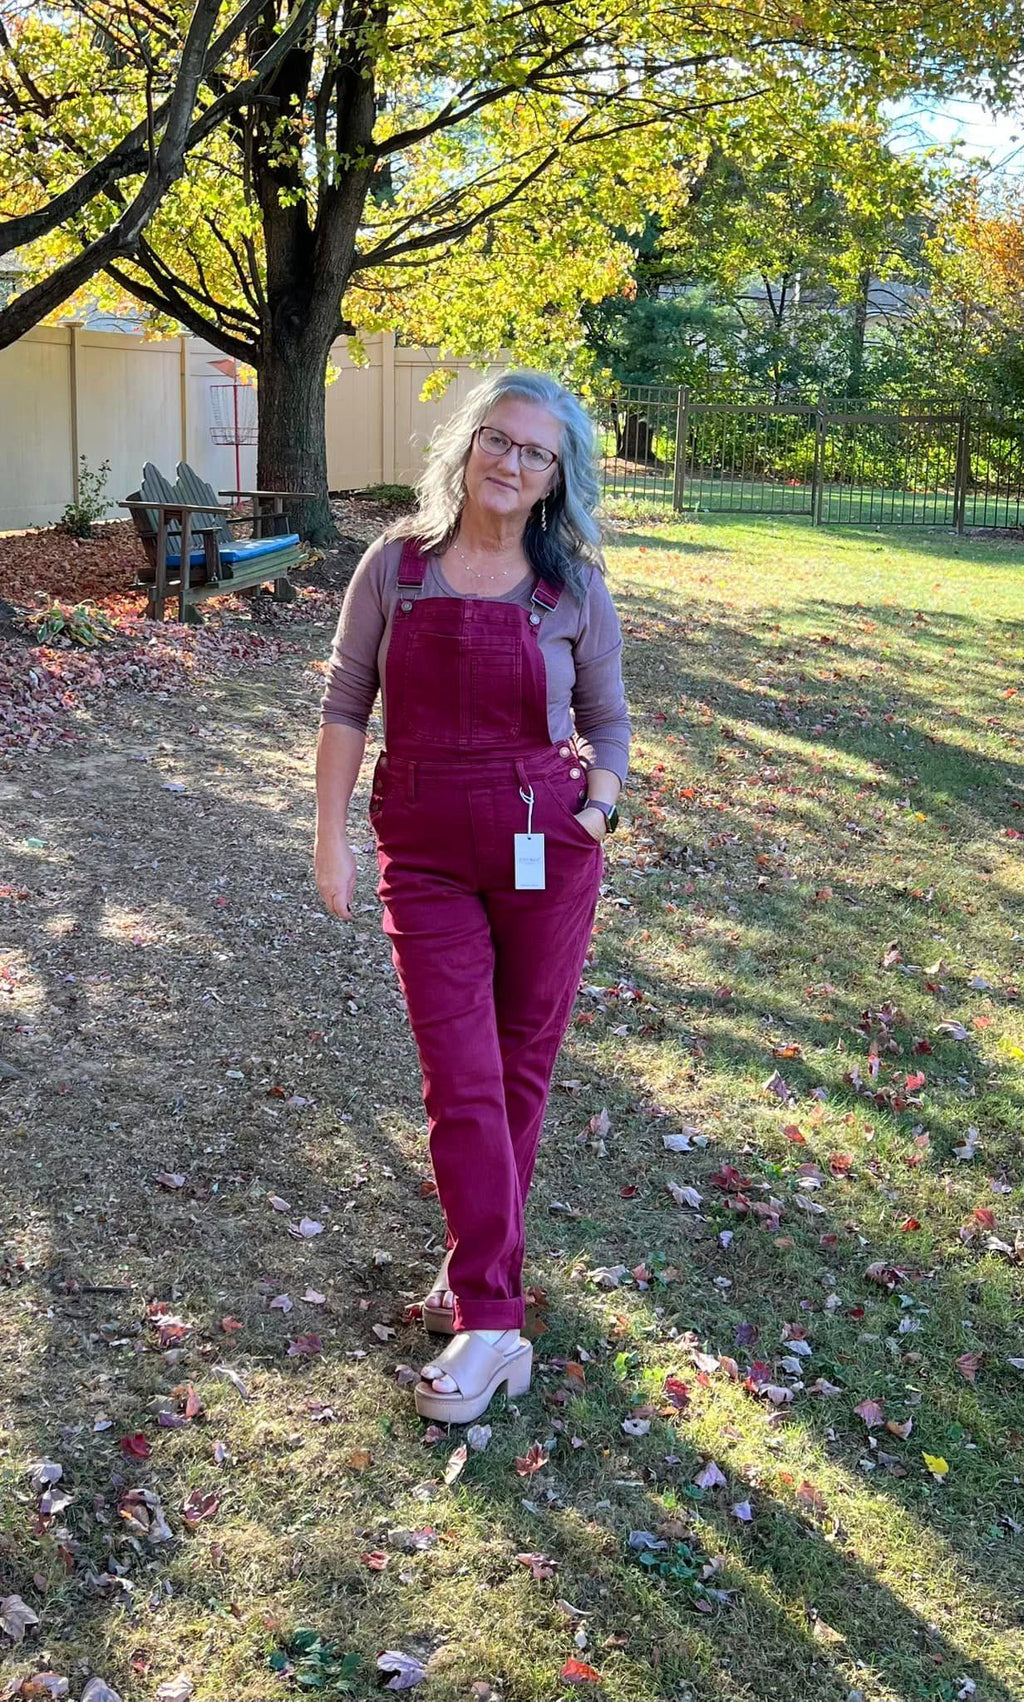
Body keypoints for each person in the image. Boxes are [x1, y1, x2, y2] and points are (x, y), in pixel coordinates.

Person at [313, 369, 631, 1424]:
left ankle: (478, 1285)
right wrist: (330, 836)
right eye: (498, 439)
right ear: (467, 445)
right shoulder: (395, 568)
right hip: (426, 850)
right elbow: (347, 699)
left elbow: (609, 719)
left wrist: (600, 807)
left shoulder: (572, 585)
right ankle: (494, 1314)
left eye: (535, 452)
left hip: (546, 838)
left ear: (556, 476)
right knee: (461, 1072)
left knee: (517, 1068)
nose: (511, 462)